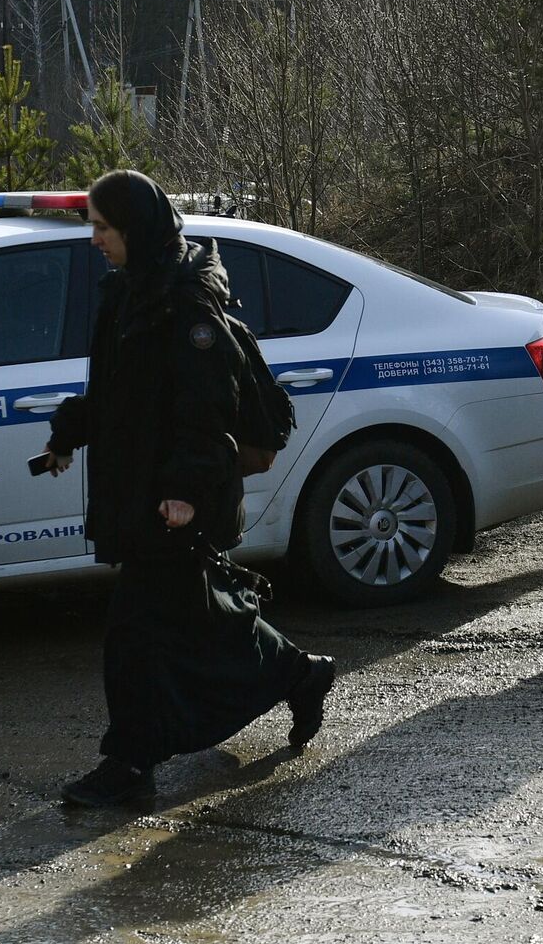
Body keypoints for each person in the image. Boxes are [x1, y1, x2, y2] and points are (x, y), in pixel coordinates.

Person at [42, 170, 336, 807]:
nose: (94, 239)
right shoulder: (129, 292)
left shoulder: (185, 304)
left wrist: (184, 491)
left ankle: (129, 762)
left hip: (173, 498)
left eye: (103, 227)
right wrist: (70, 432)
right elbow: (122, 393)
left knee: (134, 634)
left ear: (136, 229)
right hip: (140, 490)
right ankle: (300, 674)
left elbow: (205, 410)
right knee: (201, 621)